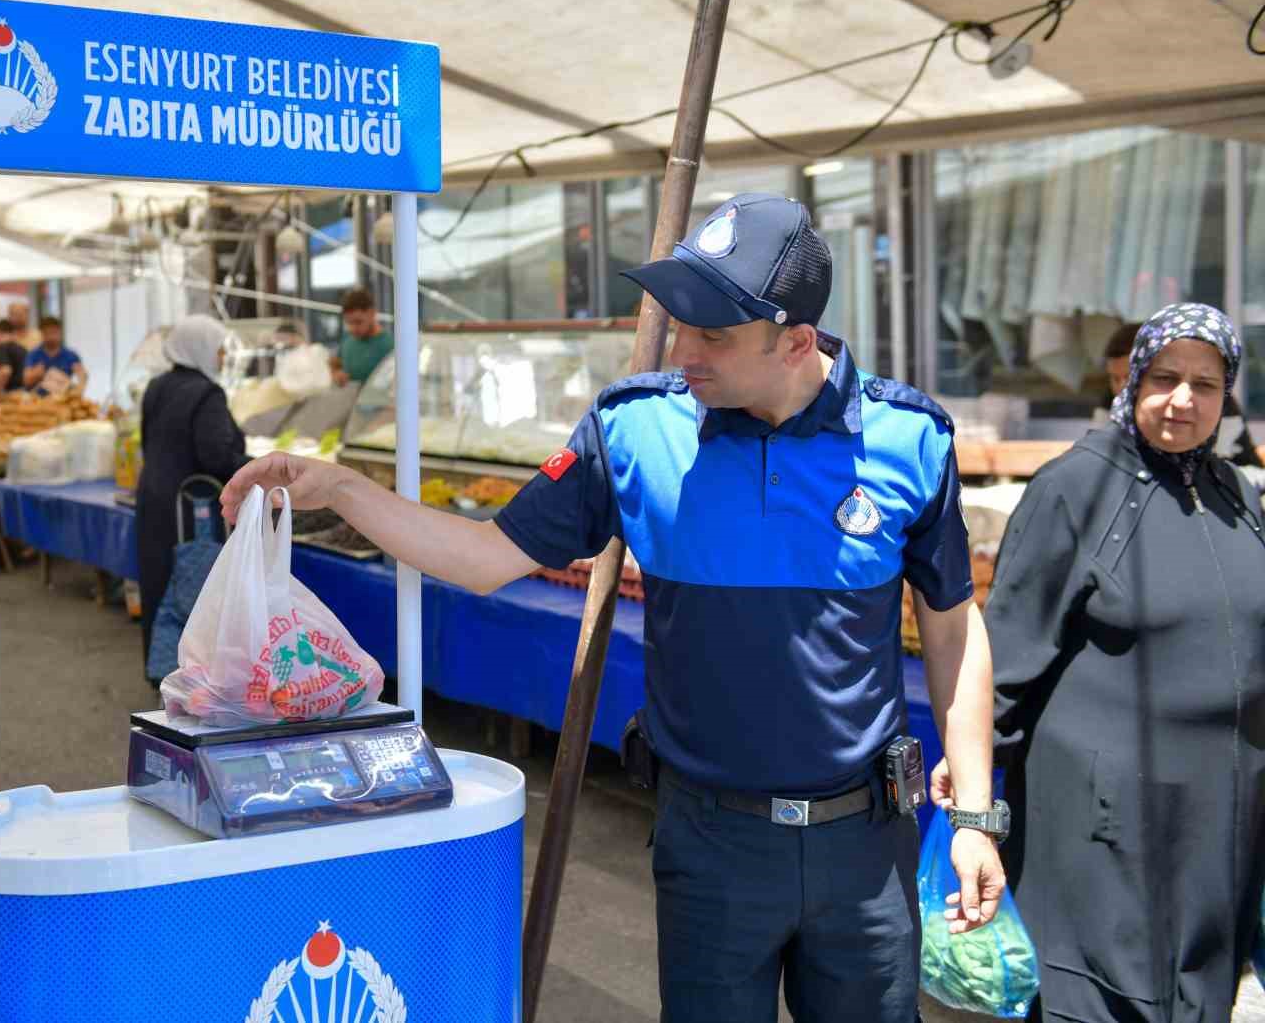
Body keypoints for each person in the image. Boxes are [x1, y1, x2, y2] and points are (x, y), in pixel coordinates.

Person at [221, 194, 1006, 1023]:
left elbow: (954, 626)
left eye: (714, 335)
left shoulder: (909, 438)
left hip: (866, 851)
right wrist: (340, 488)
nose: (684, 350)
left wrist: (975, 817)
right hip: (711, 849)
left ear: (797, 342)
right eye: (678, 323)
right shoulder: (635, 429)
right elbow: (487, 559)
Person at [978, 303, 1265, 1022]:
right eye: (1165, 377)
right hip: (1103, 842)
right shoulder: (1077, 488)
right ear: (1132, 380)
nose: (1183, 400)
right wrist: (972, 819)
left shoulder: (1236, 494)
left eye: (1206, 384)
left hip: (1215, 847)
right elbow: (1000, 672)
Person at [136, 316, 249, 661]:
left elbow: (148, 440)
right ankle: (197, 674)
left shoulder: (156, 386)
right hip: (191, 511)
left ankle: (162, 666)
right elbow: (215, 456)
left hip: (154, 501)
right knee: (197, 588)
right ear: (198, 348)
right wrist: (257, 466)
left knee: (160, 585)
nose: (220, 358)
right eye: (217, 350)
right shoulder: (207, 393)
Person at [1104, 319, 1264, 489]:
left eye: (1128, 377)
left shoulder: (1218, 408)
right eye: (1115, 378)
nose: (1123, 387)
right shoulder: (1109, 405)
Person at [328, 287, 392, 387]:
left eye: (358, 322)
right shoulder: (348, 338)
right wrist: (336, 374)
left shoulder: (390, 346)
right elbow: (334, 363)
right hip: (349, 399)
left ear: (372, 313)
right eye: (349, 323)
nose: (353, 328)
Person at [24, 316, 87, 394]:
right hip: (37, 401)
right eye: (47, 333)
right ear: (42, 334)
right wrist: (35, 375)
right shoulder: (33, 354)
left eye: (54, 332)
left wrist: (77, 391)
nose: (51, 337)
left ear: (60, 332)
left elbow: (83, 377)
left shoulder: (71, 355)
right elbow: (26, 381)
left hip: (63, 400)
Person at [0, 318, 29, 395]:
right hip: (26, 392)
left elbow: (5, 371)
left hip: (12, 393)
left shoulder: (2, 347)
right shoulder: (22, 348)